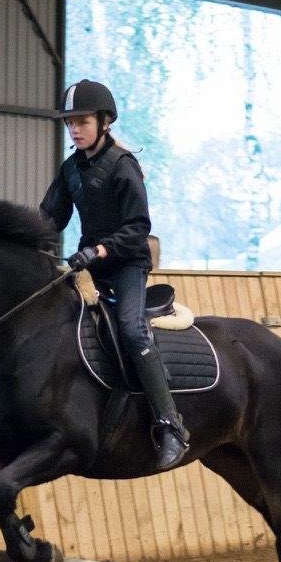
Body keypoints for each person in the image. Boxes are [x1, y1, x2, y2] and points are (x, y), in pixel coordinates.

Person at [40, 78, 188, 471]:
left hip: (125, 264)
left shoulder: (123, 166)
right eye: (69, 122)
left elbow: (138, 226)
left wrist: (99, 250)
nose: (74, 129)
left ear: (104, 122)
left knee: (132, 329)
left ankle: (171, 426)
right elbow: (50, 217)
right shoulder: (71, 168)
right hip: (89, 264)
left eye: (82, 121)